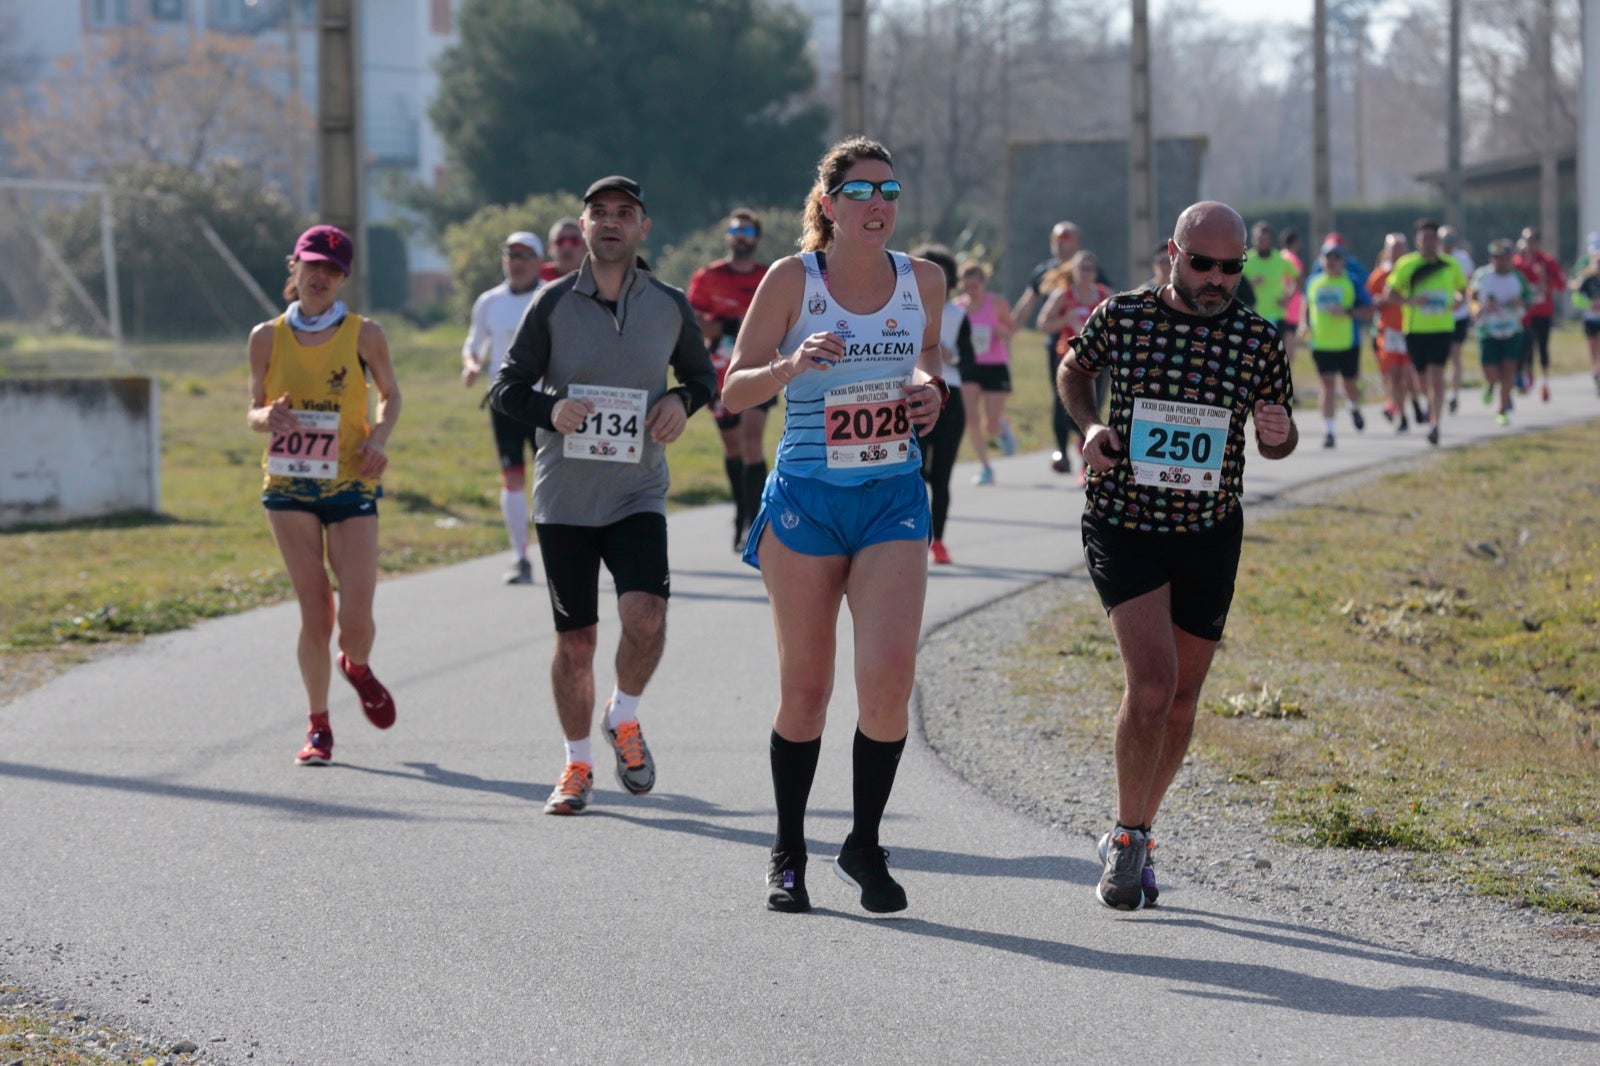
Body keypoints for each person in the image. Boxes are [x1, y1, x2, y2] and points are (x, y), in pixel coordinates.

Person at [720, 137, 948, 915]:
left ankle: (864, 842)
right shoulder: (794, 280)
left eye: (889, 190)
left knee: (887, 684)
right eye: (859, 191)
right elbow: (736, 389)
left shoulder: (924, 279)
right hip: (807, 502)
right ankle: (788, 851)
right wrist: (790, 368)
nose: (877, 203)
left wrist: (929, 392)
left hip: (891, 496)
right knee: (807, 692)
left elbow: (924, 358)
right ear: (828, 205)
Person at [1056, 201, 1297, 910]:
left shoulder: (1257, 338)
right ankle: (1127, 842)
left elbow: (1278, 437)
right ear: (1173, 253)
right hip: (1125, 522)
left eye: (1232, 268)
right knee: (1153, 685)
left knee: (1184, 700)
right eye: (1203, 264)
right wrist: (1092, 422)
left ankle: (1139, 830)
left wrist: (1277, 430)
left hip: (1208, 531)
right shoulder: (1124, 315)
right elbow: (1073, 371)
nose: (1218, 279)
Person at [488, 176, 717, 816]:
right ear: (582, 229)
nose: (610, 222)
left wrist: (682, 400)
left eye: (624, 213)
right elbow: (505, 389)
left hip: (637, 489)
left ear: (643, 227)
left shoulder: (669, 303)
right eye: (599, 214)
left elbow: (701, 376)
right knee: (578, 643)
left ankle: (625, 715)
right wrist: (551, 407)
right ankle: (577, 764)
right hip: (565, 499)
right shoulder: (552, 304)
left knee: (646, 616)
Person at [246, 224, 402, 766]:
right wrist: (267, 416)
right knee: (316, 611)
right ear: (295, 266)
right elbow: (253, 410)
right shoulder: (265, 337)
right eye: (313, 265)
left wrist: (379, 437)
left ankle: (355, 666)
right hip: (287, 485)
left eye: (333, 270)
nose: (321, 277)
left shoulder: (365, 334)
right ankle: (318, 727)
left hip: (351, 482)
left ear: (344, 279)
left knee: (355, 617)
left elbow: (390, 395)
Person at [462, 231, 545, 584]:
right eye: (511, 255)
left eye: (525, 255)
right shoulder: (489, 302)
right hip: (505, 399)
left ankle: (567, 552)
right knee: (512, 477)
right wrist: (471, 363)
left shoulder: (551, 297)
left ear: (539, 261)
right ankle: (520, 556)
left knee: (552, 478)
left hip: (547, 400)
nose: (517, 262)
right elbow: (474, 342)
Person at [687, 208, 772, 550]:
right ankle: (740, 515)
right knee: (733, 447)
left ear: (757, 239)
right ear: (727, 236)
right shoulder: (708, 277)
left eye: (748, 232)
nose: (741, 237)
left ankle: (758, 520)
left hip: (759, 367)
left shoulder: (769, 276)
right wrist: (722, 327)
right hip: (720, 372)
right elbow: (690, 318)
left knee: (753, 442)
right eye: (736, 231)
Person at [1383, 218, 1467, 446]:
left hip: (1442, 328)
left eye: (1433, 239)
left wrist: (1459, 301)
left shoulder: (1450, 265)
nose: (1429, 243)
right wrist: (1410, 300)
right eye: (1424, 239)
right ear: (1417, 241)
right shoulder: (1406, 265)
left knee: (1437, 378)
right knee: (1421, 381)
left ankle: (1435, 425)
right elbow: (1389, 293)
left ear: (1438, 241)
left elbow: (1462, 290)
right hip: (1415, 330)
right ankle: (1431, 407)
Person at [913, 244, 972, 565]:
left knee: (942, 477)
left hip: (951, 398)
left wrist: (954, 356)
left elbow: (972, 361)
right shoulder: (904, 309)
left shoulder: (958, 315)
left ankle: (939, 541)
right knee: (914, 472)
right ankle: (913, 538)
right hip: (915, 396)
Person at [1011, 221, 1084, 474]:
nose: (1059, 244)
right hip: (1057, 347)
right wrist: (1009, 331)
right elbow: (1027, 302)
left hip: (1088, 348)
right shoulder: (1045, 271)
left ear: (1077, 242)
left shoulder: (1086, 267)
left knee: (1087, 400)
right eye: (1055, 239)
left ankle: (1085, 439)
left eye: (1065, 238)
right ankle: (1062, 453)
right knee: (1059, 398)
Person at [1035, 250, 1113, 483]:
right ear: (1074, 272)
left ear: (1095, 273)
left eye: (1090, 269)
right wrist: (1065, 320)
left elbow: (1119, 323)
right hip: (1067, 360)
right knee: (1062, 407)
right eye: (1081, 268)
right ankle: (1064, 453)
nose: (1086, 273)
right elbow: (1043, 323)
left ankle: (1084, 463)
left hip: (1098, 361)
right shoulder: (1064, 295)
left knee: (1092, 408)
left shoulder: (1104, 295)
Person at [1300, 240, 1373, 447]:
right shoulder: (1313, 282)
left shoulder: (1352, 281)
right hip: (1321, 344)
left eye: (1336, 257)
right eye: (1327, 257)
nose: (1332, 261)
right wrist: (1303, 324)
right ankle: (1329, 432)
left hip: (1347, 343)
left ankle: (1353, 406)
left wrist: (1348, 312)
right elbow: (1306, 305)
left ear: (1343, 261)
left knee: (1350, 385)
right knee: (1328, 384)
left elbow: (1369, 309)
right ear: (1321, 260)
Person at [954, 259, 1014, 485]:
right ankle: (985, 467)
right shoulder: (957, 307)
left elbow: (1011, 328)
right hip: (969, 366)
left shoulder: (997, 303)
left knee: (991, 423)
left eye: (975, 286)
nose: (971, 291)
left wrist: (1001, 331)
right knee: (971, 417)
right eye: (967, 286)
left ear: (983, 284)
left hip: (995, 364)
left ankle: (1001, 429)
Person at [1469, 239, 1533, 426]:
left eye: (1504, 257)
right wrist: (1477, 310)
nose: (1500, 261)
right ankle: (1489, 385)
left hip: (1512, 330)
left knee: (1508, 371)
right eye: (1496, 258)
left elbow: (1529, 300)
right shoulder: (1482, 276)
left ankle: (1502, 410)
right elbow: (1471, 298)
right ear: (1491, 258)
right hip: (1488, 330)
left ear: (1510, 258)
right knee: (1491, 373)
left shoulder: (1518, 278)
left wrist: (1521, 303)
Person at [1367, 232, 1422, 433]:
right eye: (1393, 248)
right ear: (1387, 251)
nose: (1397, 252)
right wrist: (1379, 302)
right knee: (1394, 376)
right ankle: (1402, 415)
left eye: (1401, 247)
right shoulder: (1379, 275)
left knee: (1408, 374)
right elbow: (1369, 302)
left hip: (1410, 328)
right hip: (1388, 331)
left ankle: (1416, 403)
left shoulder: (1412, 270)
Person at [1513, 227, 1566, 402]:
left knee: (1543, 347)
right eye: (1527, 240)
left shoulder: (1547, 261)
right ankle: (1527, 377)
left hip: (1543, 311)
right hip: (1525, 314)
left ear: (1538, 242)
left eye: (1533, 240)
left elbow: (1560, 284)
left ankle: (1545, 383)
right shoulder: (1517, 262)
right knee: (1526, 347)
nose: (1530, 244)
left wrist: (1545, 280)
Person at [1241, 221, 1300, 354]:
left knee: (1275, 353)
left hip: (1277, 314)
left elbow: (1297, 277)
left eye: (1265, 239)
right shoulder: (1246, 260)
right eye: (1259, 239)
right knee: (1253, 353)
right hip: (1253, 315)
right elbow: (1234, 284)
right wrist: (1249, 284)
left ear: (1272, 240)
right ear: (1253, 239)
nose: (1262, 242)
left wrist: (1289, 297)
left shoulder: (1280, 259)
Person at [1439, 225, 1475, 413]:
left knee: (1455, 354)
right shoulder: (1434, 259)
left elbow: (1468, 284)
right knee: (1439, 359)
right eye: (1443, 240)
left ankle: (1454, 394)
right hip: (1438, 317)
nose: (1447, 244)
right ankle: (1439, 393)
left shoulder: (1462, 259)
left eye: (1450, 240)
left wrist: (1461, 302)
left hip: (1459, 315)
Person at [1566, 232, 1600, 394]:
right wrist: (1590, 303)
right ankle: (1596, 373)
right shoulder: (1585, 271)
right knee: (1593, 349)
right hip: (1590, 318)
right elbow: (1575, 292)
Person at [541, 218, 584, 283]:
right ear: (550, 247)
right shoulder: (537, 275)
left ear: (585, 246)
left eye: (574, 241)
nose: (567, 247)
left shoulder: (597, 276)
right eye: (560, 241)